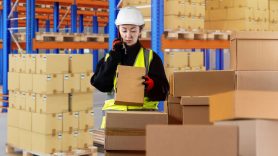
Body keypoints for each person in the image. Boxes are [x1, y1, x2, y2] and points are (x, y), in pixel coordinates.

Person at [91, 6, 169, 128]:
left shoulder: (151, 58)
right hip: (115, 121)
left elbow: (164, 91)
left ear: (140, 30)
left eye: (133, 30)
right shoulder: (109, 58)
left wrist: (153, 85)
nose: (128, 35)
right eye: (124, 30)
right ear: (118, 30)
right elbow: (101, 85)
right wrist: (114, 58)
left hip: (143, 119)